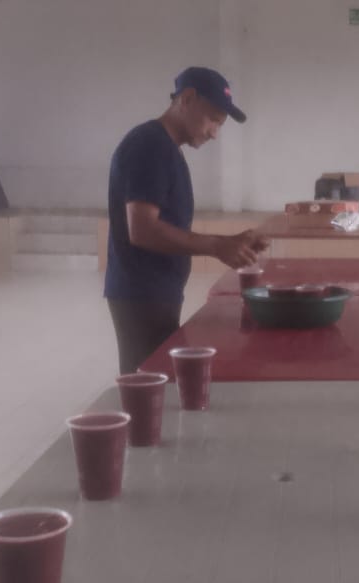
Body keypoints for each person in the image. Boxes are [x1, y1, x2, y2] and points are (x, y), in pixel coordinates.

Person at [106, 66, 269, 374]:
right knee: (148, 380)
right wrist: (216, 246)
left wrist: (232, 241)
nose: (214, 133)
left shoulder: (167, 149)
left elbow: (164, 224)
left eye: (220, 125)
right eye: (213, 120)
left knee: (158, 379)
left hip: (157, 291)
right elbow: (142, 230)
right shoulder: (149, 145)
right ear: (187, 98)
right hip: (142, 293)